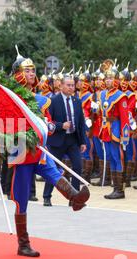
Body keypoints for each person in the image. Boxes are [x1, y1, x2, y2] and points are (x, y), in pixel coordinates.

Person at [7, 49, 89, 257]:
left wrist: (50, 127)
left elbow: (49, 123)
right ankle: (23, 242)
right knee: (23, 197)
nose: (32, 74)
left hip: (40, 148)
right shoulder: (11, 98)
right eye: (27, 71)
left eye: (33, 70)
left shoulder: (41, 99)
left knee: (53, 172)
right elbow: (7, 125)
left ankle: (74, 196)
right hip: (22, 150)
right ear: (18, 73)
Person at [42, 74, 88, 204]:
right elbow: (48, 122)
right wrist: (61, 125)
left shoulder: (77, 101)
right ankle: (47, 196)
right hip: (58, 140)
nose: (70, 87)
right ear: (61, 86)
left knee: (78, 166)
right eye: (68, 85)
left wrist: (83, 141)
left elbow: (80, 123)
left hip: (73, 139)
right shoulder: (53, 101)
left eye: (72, 85)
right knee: (53, 168)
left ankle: (75, 198)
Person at [100, 63, 129, 199]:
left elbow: (124, 118)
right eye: (106, 78)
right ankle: (115, 187)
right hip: (106, 128)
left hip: (116, 129)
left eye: (111, 78)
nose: (108, 81)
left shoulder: (120, 96)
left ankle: (120, 189)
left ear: (116, 80)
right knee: (111, 158)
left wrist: (125, 135)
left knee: (118, 158)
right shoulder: (102, 94)